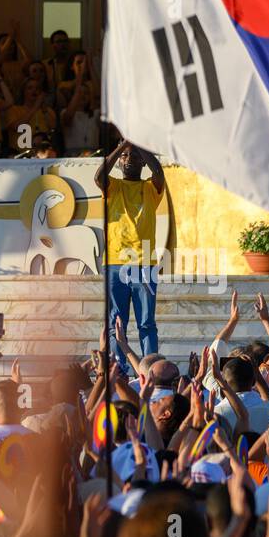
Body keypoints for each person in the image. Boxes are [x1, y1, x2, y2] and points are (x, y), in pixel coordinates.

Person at [97, 139, 166, 375]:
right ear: (119, 162)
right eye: (125, 157)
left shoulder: (150, 187)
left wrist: (138, 144)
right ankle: (119, 368)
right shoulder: (113, 186)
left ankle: (151, 370)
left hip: (145, 263)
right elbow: (99, 176)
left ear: (143, 162)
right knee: (117, 321)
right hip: (116, 263)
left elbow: (158, 172)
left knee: (146, 322)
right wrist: (122, 146)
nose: (129, 160)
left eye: (135, 157)